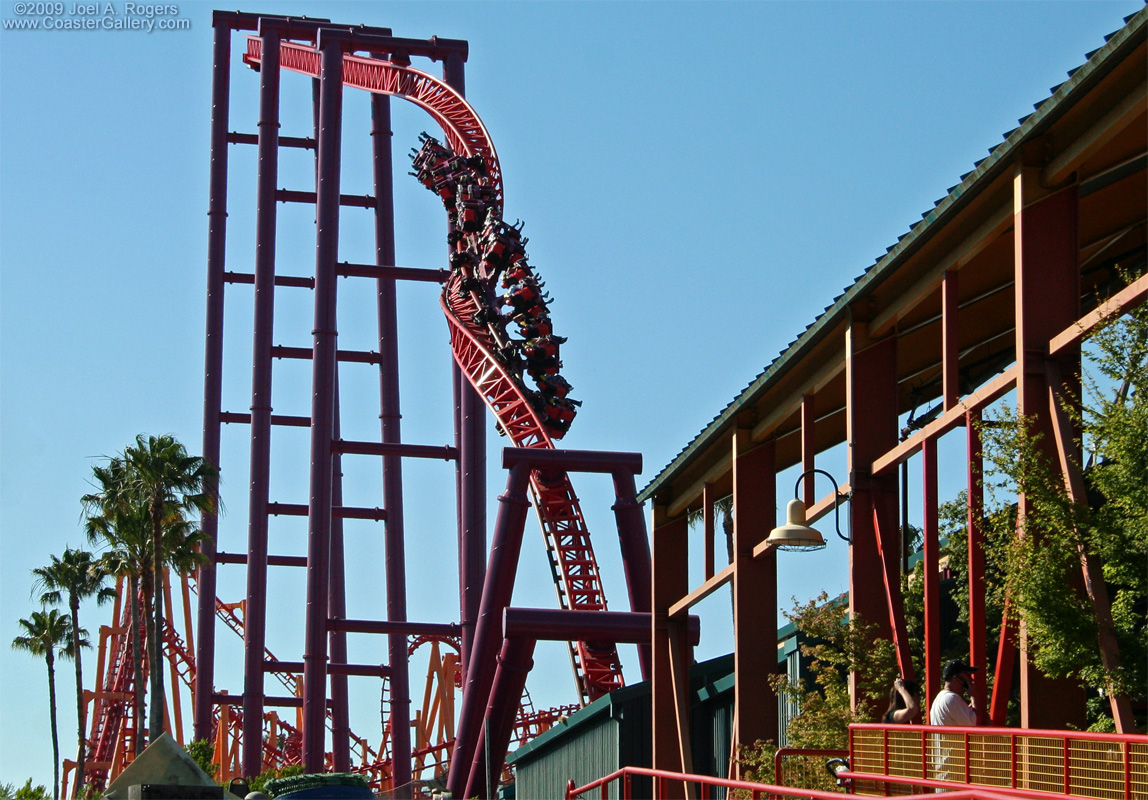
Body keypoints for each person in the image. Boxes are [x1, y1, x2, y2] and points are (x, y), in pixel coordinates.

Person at [929, 659, 977, 726]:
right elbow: (974, 724)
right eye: (968, 675)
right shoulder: (952, 698)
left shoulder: (940, 697)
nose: (971, 679)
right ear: (956, 677)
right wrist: (973, 696)